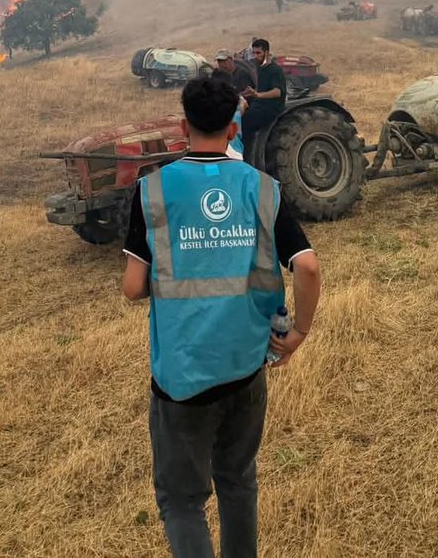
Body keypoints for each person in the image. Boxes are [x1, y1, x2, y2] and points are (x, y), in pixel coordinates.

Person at [123, 77, 321, 558]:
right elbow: (308, 266)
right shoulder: (263, 188)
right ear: (234, 127)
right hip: (246, 366)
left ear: (184, 124)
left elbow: (133, 288)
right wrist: (297, 334)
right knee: (237, 480)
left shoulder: (152, 191)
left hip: (182, 378)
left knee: (181, 499)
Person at [240, 39, 286, 164]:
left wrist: (259, 95)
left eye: (258, 53)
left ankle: (247, 159)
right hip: (259, 104)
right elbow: (261, 89)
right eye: (254, 53)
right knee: (239, 116)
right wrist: (250, 93)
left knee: (246, 122)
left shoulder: (274, 70)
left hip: (271, 107)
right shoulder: (261, 69)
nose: (256, 56)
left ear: (266, 52)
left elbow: (277, 92)